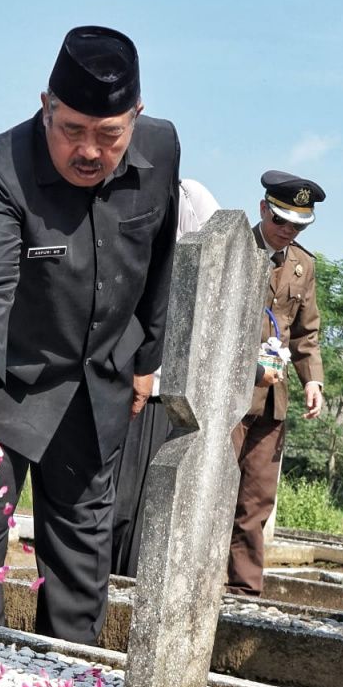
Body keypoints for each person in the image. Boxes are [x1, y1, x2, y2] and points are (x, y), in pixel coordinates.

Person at [0, 26, 180, 646]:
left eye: (109, 134)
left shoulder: (163, 149)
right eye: (72, 130)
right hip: (6, 380)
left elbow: (161, 256)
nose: (90, 150)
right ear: (46, 106)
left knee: (81, 556)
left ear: (136, 118)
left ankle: (65, 680)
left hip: (99, 385)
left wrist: (147, 359)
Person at [110, 178, 220, 577]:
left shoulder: (189, 195)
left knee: (141, 504)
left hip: (158, 387)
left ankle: (126, 586)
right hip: (112, 378)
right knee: (112, 500)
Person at [227, 170, 325, 596]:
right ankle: (199, 574)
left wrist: (313, 381)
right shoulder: (232, 251)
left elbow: (306, 334)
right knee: (214, 489)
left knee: (257, 497)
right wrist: (249, 370)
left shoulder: (303, 267)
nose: (288, 232)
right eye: (281, 222)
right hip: (227, 395)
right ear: (263, 209)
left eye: (298, 226)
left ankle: (244, 589)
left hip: (272, 401)